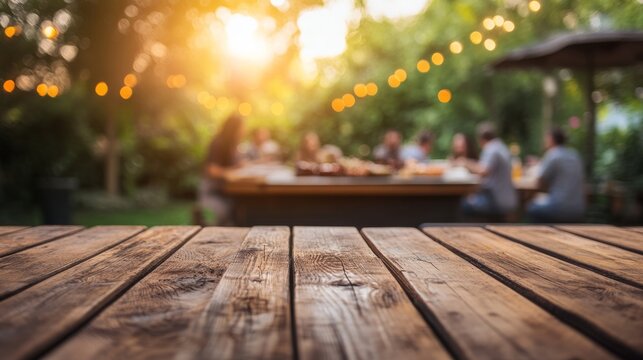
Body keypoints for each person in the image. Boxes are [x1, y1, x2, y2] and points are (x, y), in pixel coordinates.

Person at [456, 122, 517, 218]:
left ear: (481, 139)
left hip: (496, 201)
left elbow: (483, 170)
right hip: (508, 200)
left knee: (464, 204)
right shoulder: (502, 147)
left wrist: (465, 163)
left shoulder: (491, 148)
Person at [527, 128, 585, 222]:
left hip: (559, 209)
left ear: (551, 139)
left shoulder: (553, 154)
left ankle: (540, 235)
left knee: (532, 207)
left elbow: (539, 181)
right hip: (578, 209)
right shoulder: (575, 155)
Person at [198, 114, 245, 225]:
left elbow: (228, 166)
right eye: (242, 128)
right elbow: (211, 169)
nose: (243, 131)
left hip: (226, 191)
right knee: (226, 212)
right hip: (214, 192)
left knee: (241, 208)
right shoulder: (219, 142)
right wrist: (228, 173)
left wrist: (238, 166)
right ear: (234, 128)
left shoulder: (231, 144)